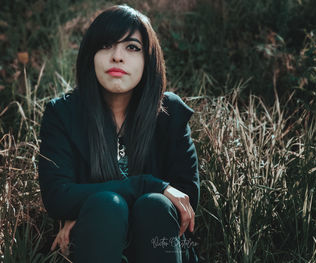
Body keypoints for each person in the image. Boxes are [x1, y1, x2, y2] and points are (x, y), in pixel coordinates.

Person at [38, 4, 200, 263]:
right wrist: (148, 184)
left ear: (149, 59)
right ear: (90, 55)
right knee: (106, 206)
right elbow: (57, 196)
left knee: (155, 205)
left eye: (132, 47)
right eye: (105, 45)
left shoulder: (171, 114)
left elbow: (185, 198)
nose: (117, 56)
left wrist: (80, 207)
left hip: (159, 243)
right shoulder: (63, 113)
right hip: (95, 241)